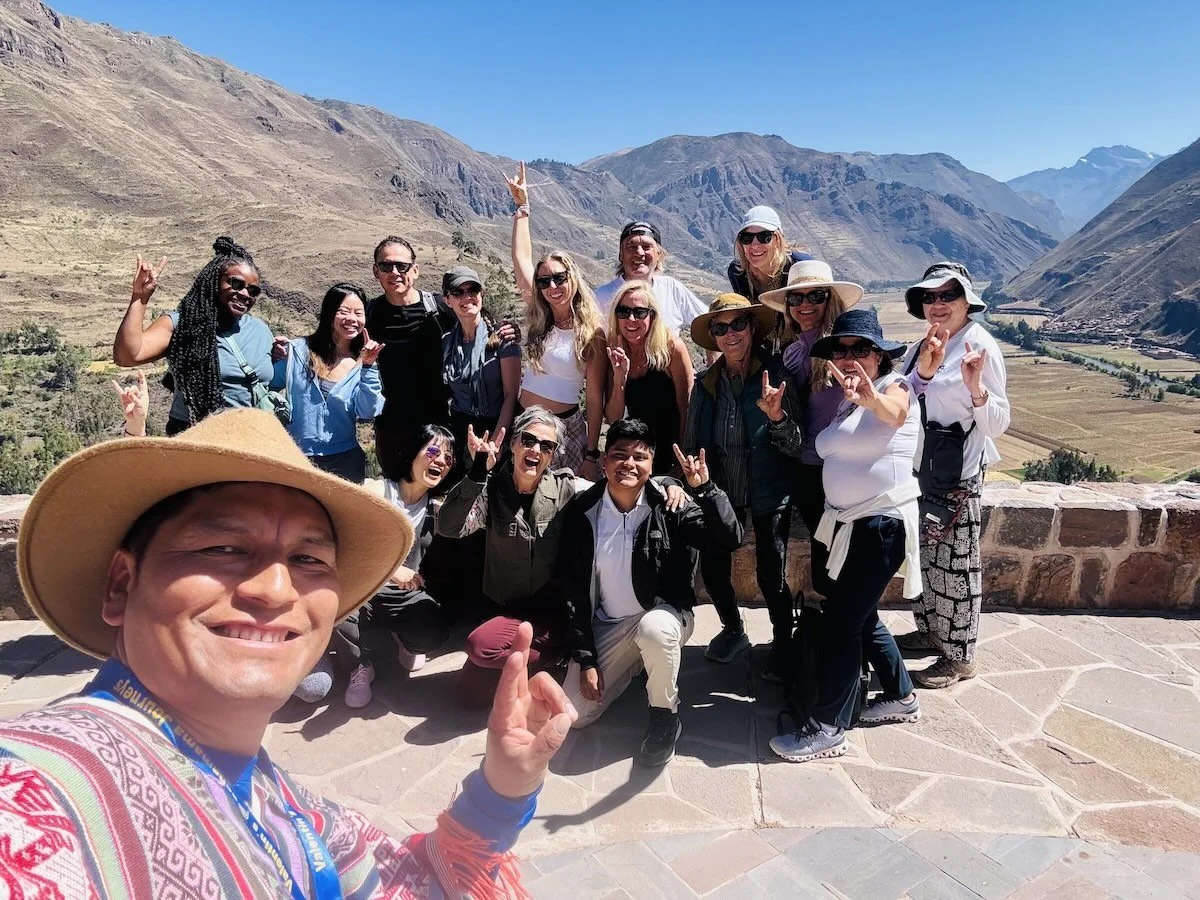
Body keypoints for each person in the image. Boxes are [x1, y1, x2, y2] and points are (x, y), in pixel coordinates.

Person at [2, 408, 576, 897]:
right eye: (224, 547)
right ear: (122, 585)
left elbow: (408, 880)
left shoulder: (279, 799)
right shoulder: (35, 800)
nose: (275, 590)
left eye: (308, 560)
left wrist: (503, 788)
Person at [769, 307, 924, 763]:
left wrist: (869, 399)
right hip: (851, 527)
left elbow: (894, 414)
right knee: (858, 615)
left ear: (880, 355)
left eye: (862, 349)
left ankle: (829, 727)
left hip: (879, 526)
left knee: (841, 624)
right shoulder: (841, 403)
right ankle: (900, 696)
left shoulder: (896, 389)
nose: (851, 356)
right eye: (843, 348)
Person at [558, 420, 742, 766]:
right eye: (619, 455)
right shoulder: (584, 513)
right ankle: (635, 665)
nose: (629, 463)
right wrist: (586, 658)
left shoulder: (670, 504)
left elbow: (728, 539)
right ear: (604, 462)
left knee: (653, 630)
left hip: (664, 616)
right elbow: (573, 591)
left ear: (651, 464)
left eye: (639, 457)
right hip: (608, 625)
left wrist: (705, 490)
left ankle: (665, 715)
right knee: (576, 714)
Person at [895, 262, 1011, 688]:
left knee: (957, 565)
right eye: (929, 297)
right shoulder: (927, 343)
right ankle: (930, 631)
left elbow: (998, 421)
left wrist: (976, 387)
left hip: (956, 474)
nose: (938, 304)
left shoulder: (978, 346)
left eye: (948, 295)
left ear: (967, 301)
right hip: (924, 470)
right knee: (928, 560)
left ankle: (960, 656)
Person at [682, 294, 803, 682]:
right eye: (721, 328)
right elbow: (693, 439)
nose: (730, 334)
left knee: (772, 574)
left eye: (738, 324)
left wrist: (778, 416)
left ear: (752, 328)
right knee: (715, 569)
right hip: (722, 492)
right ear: (713, 336)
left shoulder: (776, 375)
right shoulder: (706, 385)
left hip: (769, 491)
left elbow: (796, 444)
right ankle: (733, 628)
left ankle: (784, 645)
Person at [437, 407, 582, 688]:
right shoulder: (490, 490)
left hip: (548, 610)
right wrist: (477, 471)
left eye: (547, 446)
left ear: (553, 456)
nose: (536, 450)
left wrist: (671, 485)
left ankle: (556, 651)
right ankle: (546, 660)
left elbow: (616, 487)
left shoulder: (568, 489)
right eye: (528, 440)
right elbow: (449, 526)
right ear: (513, 444)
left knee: (480, 647)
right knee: (471, 693)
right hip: (507, 609)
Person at [758, 260, 862, 599]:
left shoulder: (844, 350)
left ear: (828, 299)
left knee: (838, 560)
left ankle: (850, 636)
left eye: (815, 296)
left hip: (838, 468)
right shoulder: (795, 350)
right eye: (796, 299)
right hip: (809, 467)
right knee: (827, 558)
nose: (804, 305)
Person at [336, 426, 458, 707]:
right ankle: (359, 666)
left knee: (432, 630)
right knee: (336, 606)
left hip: (402, 596)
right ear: (412, 453)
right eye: (432, 451)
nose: (440, 460)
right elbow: (343, 549)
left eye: (448, 458)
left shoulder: (437, 510)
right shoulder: (374, 492)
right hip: (362, 587)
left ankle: (405, 639)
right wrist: (391, 570)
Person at [504, 165, 607, 477]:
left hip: (563, 431)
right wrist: (522, 208)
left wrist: (591, 453)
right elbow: (520, 259)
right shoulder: (539, 314)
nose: (552, 287)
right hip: (523, 423)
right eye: (544, 281)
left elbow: (594, 397)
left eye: (559, 278)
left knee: (559, 512)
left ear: (572, 279)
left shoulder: (591, 333)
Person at [113, 237, 275, 434]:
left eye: (253, 290)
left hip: (251, 438)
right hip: (194, 437)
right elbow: (128, 356)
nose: (245, 294)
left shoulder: (261, 330)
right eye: (236, 284)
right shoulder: (180, 325)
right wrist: (140, 298)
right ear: (214, 281)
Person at [271, 282, 384, 483]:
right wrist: (269, 355)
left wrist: (368, 366)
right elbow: (266, 384)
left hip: (345, 461)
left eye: (359, 313)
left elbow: (368, 411)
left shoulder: (362, 362)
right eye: (344, 311)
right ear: (329, 314)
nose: (352, 319)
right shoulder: (297, 352)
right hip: (296, 457)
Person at [603, 280, 694, 474]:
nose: (631, 319)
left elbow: (687, 407)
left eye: (640, 312)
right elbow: (613, 418)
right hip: (638, 455)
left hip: (673, 453)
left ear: (652, 316)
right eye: (623, 312)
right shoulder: (616, 351)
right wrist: (620, 378)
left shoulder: (672, 350)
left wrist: (682, 459)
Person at [441, 265, 521, 478]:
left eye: (473, 290)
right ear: (448, 300)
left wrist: (495, 442)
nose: (467, 297)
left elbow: (510, 396)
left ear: (481, 295)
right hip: (460, 430)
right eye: (458, 292)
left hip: (495, 427)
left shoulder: (504, 339)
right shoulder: (447, 343)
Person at [592, 219, 709, 340]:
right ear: (621, 254)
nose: (639, 252)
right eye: (631, 246)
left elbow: (709, 322)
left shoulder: (672, 288)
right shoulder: (600, 297)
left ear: (659, 254)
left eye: (647, 247)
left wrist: (712, 358)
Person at [726, 205, 815, 353]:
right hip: (763, 349)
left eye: (764, 237)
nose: (754, 245)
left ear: (777, 239)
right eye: (747, 238)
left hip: (804, 348)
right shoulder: (738, 273)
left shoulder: (799, 267)